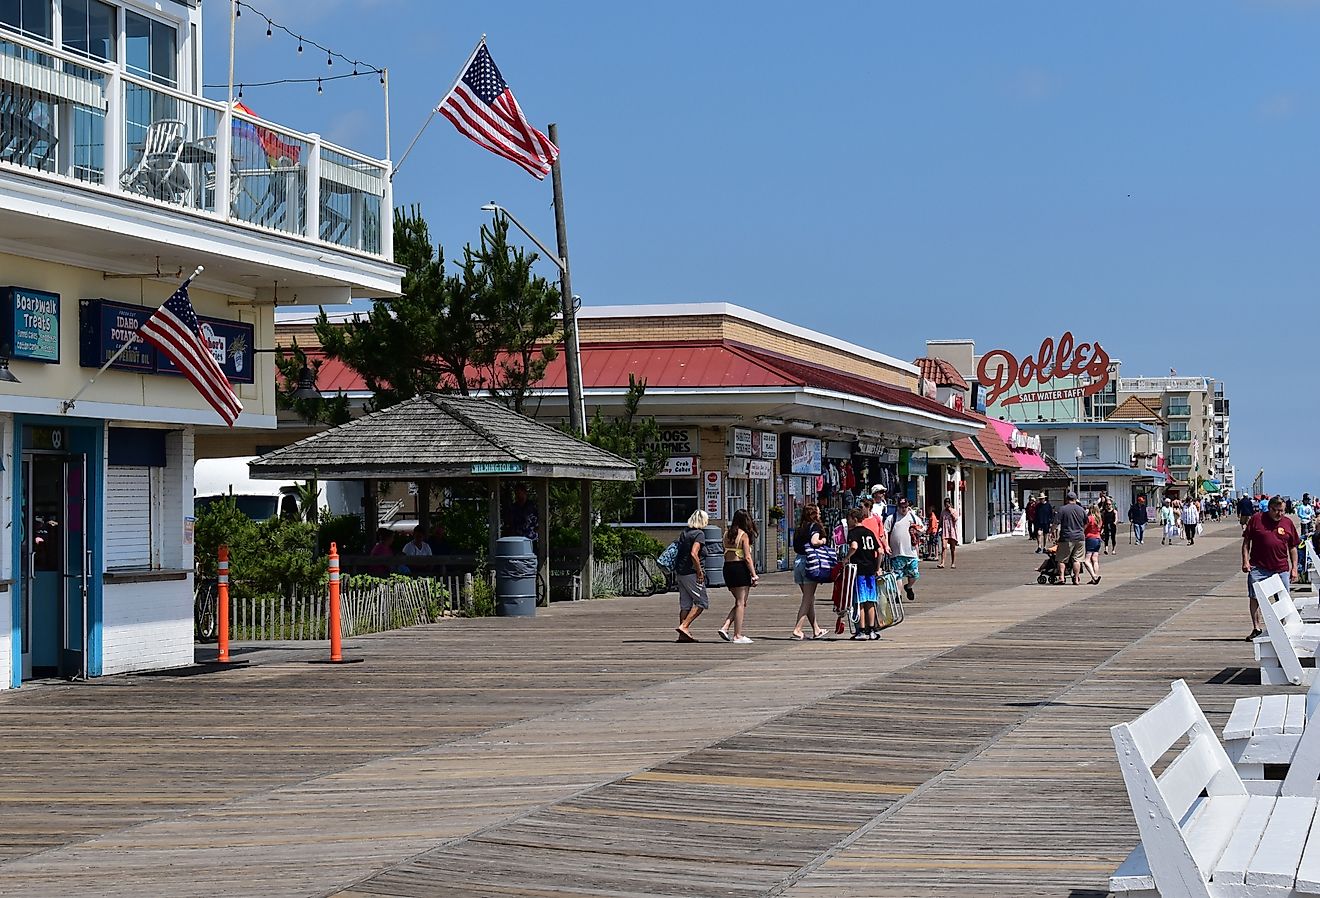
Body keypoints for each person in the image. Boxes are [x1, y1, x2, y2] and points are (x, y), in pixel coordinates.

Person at [1242, 495, 1301, 641]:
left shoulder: (1287, 523)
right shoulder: (1257, 519)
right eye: (1276, 511)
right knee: (1254, 597)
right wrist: (1245, 561)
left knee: (1283, 599)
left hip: (1281, 568)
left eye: (1282, 511)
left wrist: (1294, 568)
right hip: (1259, 567)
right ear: (1269, 508)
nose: (1279, 514)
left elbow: (1293, 547)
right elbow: (1246, 542)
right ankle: (1256, 628)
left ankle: (1283, 628)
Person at [717, 509, 759, 644]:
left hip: (727, 569)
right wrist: (754, 574)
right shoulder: (744, 535)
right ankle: (737, 635)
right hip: (740, 568)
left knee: (740, 602)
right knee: (741, 603)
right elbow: (747, 557)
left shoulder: (726, 534)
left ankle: (725, 626)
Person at [791, 504, 829, 639]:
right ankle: (798, 629)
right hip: (810, 562)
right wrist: (823, 540)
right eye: (818, 512)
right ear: (813, 514)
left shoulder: (799, 528)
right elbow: (814, 541)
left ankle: (816, 629)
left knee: (809, 598)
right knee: (807, 598)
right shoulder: (815, 526)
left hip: (798, 562)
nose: (819, 514)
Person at [845, 508, 883, 640]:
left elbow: (854, 546)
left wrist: (846, 558)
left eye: (849, 518)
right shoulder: (869, 532)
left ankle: (861, 630)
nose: (848, 521)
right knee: (871, 600)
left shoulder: (853, 533)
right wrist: (877, 566)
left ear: (854, 519)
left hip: (859, 570)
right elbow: (880, 550)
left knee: (860, 600)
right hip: (870, 570)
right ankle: (872, 630)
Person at [674, 510, 710, 642]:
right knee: (702, 602)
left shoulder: (685, 532)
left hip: (681, 572)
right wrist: (699, 571)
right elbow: (694, 554)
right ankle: (684, 626)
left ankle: (682, 636)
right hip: (691, 573)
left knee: (685, 604)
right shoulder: (699, 534)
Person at [885, 496, 925, 602]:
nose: (903, 509)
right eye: (901, 507)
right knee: (898, 574)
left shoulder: (913, 517)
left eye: (905, 507)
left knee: (914, 574)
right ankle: (898, 595)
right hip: (897, 552)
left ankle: (909, 587)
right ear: (898, 507)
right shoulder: (892, 518)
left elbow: (922, 528)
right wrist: (886, 545)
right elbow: (885, 532)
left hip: (911, 552)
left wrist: (917, 530)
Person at [1054, 492, 1088, 585]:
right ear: (1076, 499)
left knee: (1062, 559)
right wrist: (1082, 530)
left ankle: (1061, 577)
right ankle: (1076, 578)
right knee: (1077, 560)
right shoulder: (1082, 510)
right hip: (1080, 538)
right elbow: (1086, 522)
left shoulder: (1062, 509)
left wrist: (1051, 531)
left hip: (1066, 537)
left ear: (1066, 499)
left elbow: (1056, 523)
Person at [1083, 503, 1103, 585]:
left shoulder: (1090, 518)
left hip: (1090, 538)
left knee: (1086, 560)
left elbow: (1084, 528)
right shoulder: (1099, 519)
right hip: (1098, 539)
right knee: (1095, 559)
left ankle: (1094, 576)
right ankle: (1095, 577)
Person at [938, 497, 959, 569]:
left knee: (952, 548)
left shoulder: (954, 511)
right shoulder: (943, 512)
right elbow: (940, 522)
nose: (947, 504)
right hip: (945, 531)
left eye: (948, 503)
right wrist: (938, 529)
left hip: (952, 531)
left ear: (950, 503)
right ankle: (942, 563)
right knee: (944, 547)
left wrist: (950, 511)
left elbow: (955, 519)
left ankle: (953, 563)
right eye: (945, 503)